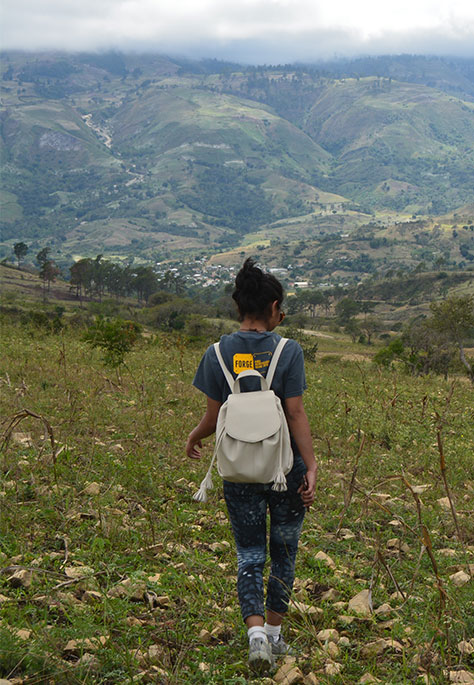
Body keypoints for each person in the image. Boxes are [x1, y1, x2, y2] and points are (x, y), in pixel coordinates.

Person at [185, 259, 317, 674]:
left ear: (240, 306)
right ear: (274, 307)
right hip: (284, 470)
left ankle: (255, 635)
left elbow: (212, 418)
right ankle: (276, 638)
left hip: (238, 472)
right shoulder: (288, 351)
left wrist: (194, 437)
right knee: (284, 551)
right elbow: (295, 415)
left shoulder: (216, 353)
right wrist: (310, 466)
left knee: (249, 554)